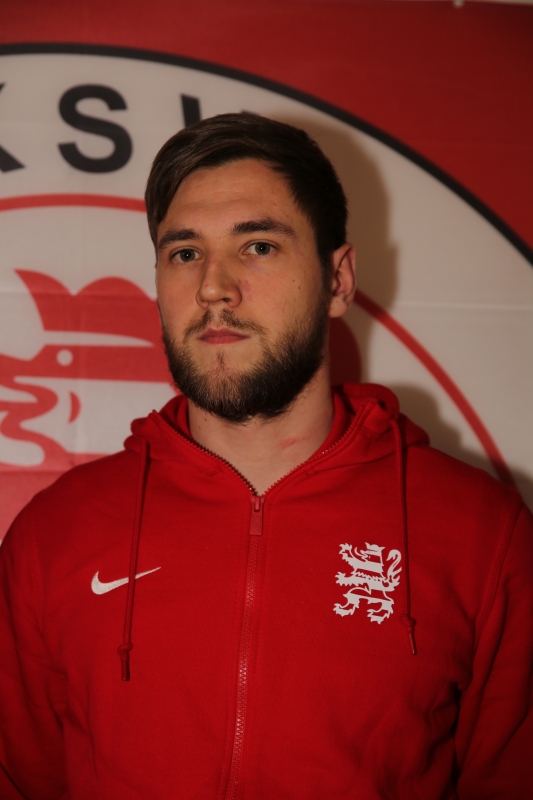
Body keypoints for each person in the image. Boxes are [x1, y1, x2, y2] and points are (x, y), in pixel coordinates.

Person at [0, 113, 532, 800]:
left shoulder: (482, 534)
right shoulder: (55, 535)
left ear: (338, 279)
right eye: (184, 253)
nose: (213, 287)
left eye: (258, 246)